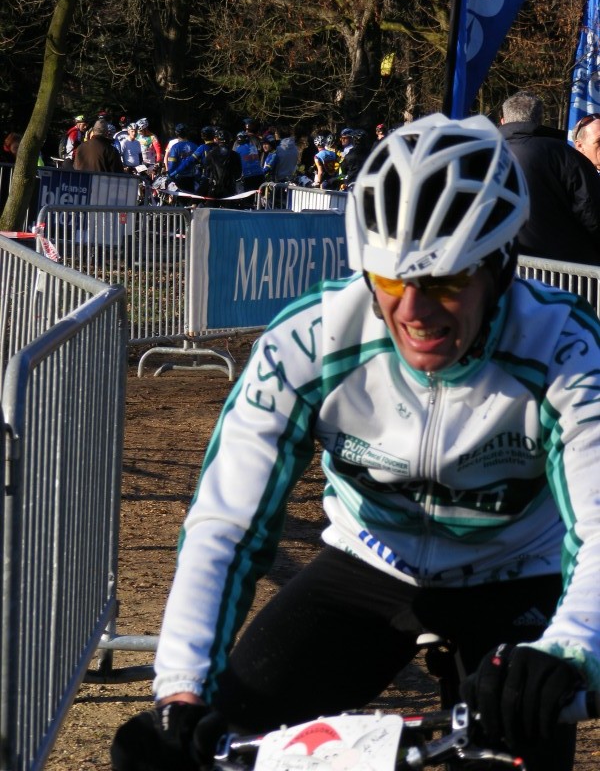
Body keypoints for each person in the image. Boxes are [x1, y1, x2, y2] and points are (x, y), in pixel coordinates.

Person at [111, 114, 600, 771]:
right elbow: (227, 525)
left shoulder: (562, 346)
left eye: (445, 282)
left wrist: (570, 649)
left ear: (500, 267)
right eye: (391, 281)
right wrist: (180, 691)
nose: (414, 312)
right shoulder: (312, 339)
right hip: (369, 565)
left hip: (516, 576)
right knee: (218, 737)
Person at [499, 90, 600, 264]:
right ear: (540, 119)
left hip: (503, 266)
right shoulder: (562, 154)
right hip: (564, 268)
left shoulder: (480, 155)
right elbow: (591, 213)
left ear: (503, 121)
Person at [203, 128, 242, 198]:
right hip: (230, 189)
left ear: (217, 140)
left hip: (214, 189)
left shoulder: (211, 154)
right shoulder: (235, 155)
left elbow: (206, 173)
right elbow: (238, 174)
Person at [166, 124, 199, 193]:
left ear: (176, 133)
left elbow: (171, 165)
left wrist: (170, 175)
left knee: (180, 198)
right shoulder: (195, 146)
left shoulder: (175, 147)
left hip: (179, 179)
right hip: (192, 179)